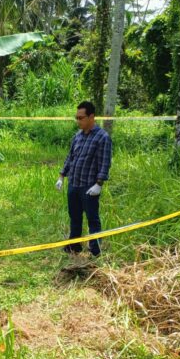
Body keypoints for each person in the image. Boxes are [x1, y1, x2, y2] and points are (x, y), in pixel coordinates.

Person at [56, 101, 112, 257]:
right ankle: (74, 246)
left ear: (91, 117)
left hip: (89, 186)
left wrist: (99, 184)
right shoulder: (77, 136)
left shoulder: (102, 137)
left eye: (81, 118)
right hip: (74, 183)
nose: (78, 121)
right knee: (74, 217)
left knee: (92, 218)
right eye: (77, 118)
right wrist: (62, 176)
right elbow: (70, 158)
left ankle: (95, 250)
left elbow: (105, 163)